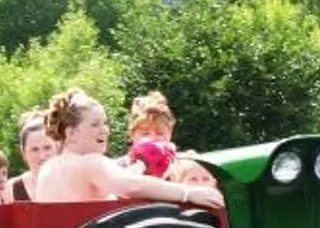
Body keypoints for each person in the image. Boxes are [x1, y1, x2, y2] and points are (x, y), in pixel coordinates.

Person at [31, 89, 221, 211]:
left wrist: (138, 165)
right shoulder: (90, 162)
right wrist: (189, 193)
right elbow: (132, 185)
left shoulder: (48, 168)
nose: (104, 130)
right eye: (95, 124)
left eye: (105, 123)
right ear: (71, 133)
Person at [4, 109, 54, 203]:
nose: (41, 156)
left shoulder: (72, 183)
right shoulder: (12, 188)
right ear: (24, 154)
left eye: (47, 148)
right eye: (34, 150)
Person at [124, 93, 178, 178]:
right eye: (145, 134)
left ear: (170, 134)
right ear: (132, 135)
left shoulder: (180, 168)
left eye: (160, 133)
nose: (152, 138)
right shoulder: (118, 169)